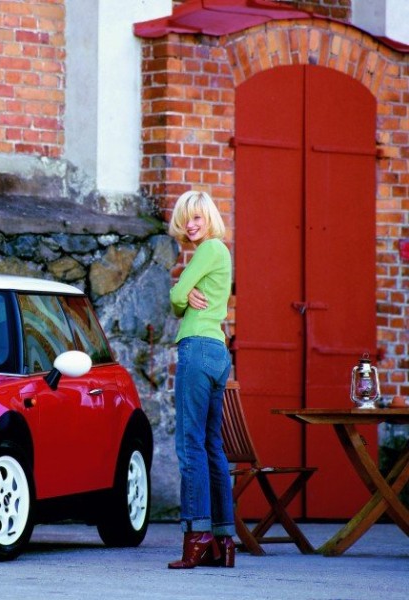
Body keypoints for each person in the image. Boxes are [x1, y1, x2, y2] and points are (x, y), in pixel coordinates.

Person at [166, 190, 235, 569]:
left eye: (197, 217)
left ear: (210, 219)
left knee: (189, 444)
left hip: (197, 348)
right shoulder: (220, 253)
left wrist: (183, 293)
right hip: (218, 351)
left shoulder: (209, 249)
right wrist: (186, 293)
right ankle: (223, 540)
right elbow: (181, 297)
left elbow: (175, 297)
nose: (191, 225)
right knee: (211, 446)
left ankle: (197, 535)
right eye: (186, 218)